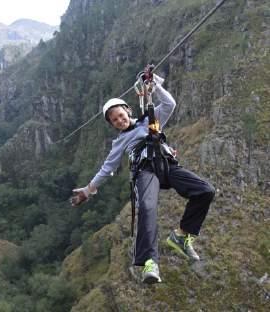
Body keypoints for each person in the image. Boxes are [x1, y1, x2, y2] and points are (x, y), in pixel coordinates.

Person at [70, 74, 215, 284]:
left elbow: (170, 104)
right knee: (147, 208)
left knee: (205, 191)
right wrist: (88, 190)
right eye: (115, 120)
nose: (120, 121)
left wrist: (154, 86)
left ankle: (182, 235)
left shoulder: (150, 120)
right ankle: (150, 262)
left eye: (121, 115)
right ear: (112, 124)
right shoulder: (120, 142)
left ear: (128, 111)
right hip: (145, 172)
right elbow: (107, 168)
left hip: (166, 165)